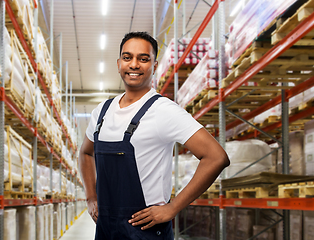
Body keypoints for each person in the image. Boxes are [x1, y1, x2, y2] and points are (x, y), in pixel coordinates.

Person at [79, 31, 230, 240]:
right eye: (127, 57)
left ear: (154, 66)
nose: (134, 65)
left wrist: (173, 208)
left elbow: (216, 157)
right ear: (118, 63)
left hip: (146, 231)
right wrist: (90, 197)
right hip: (106, 228)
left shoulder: (163, 110)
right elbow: (86, 153)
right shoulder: (101, 112)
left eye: (143, 59)